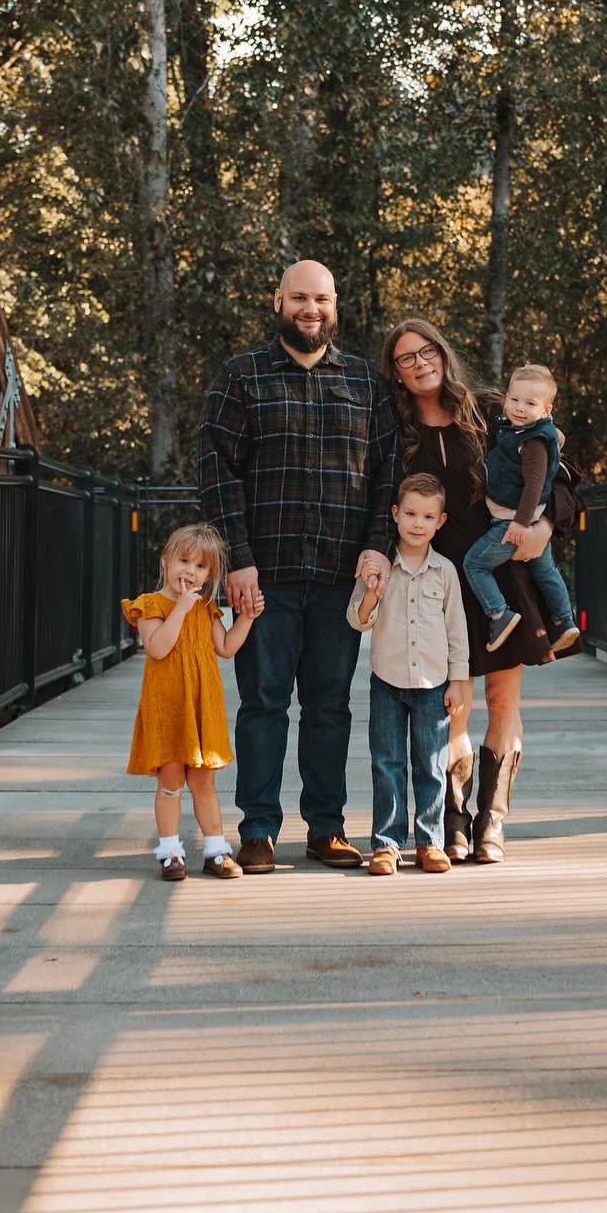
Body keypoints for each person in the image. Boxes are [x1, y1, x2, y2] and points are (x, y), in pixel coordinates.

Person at [198, 260, 399, 873]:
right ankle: (257, 829)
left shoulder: (368, 383)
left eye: (323, 299)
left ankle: (327, 829)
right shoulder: (240, 377)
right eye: (300, 298)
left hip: (341, 576)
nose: (312, 309)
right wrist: (238, 561)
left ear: (335, 305)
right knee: (262, 703)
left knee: (330, 705)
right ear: (278, 300)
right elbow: (216, 475)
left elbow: (387, 475)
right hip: (266, 578)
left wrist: (377, 547)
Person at [379, 318, 580, 866]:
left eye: (426, 351)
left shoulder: (493, 411)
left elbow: (562, 477)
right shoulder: (393, 430)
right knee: (452, 708)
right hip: (434, 587)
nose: (420, 363)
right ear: (395, 373)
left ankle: (492, 822)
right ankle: (454, 823)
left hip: (500, 575)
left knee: (501, 700)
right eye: (405, 358)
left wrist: (542, 529)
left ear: (442, 353)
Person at [348, 472, 471, 876]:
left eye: (428, 516)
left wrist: (458, 681)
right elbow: (357, 621)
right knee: (387, 762)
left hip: (432, 685)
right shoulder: (378, 567)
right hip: (386, 680)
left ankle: (429, 842)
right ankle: (386, 844)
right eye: (411, 514)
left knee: (431, 764)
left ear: (440, 521)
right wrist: (371, 593)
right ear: (395, 514)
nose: (418, 523)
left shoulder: (445, 572)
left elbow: (457, 630)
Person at [124, 521, 255, 882]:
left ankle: (215, 849)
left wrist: (245, 619)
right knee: (170, 781)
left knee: (203, 781)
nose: (190, 571)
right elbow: (158, 647)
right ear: (165, 560)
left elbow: (226, 648)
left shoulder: (207, 607)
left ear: (209, 574)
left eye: (200, 567)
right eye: (184, 561)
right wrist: (180, 608)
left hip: (201, 707)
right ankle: (169, 852)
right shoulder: (151, 605)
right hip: (168, 709)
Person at [463, 363, 582, 656]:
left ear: (547, 409)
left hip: (511, 522)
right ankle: (564, 620)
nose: (519, 408)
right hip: (519, 518)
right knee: (545, 570)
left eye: (530, 403)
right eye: (514, 399)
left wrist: (521, 522)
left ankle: (498, 613)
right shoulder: (515, 430)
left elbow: (534, 485)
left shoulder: (532, 442)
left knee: (475, 564)